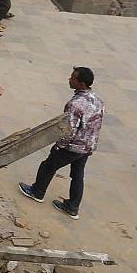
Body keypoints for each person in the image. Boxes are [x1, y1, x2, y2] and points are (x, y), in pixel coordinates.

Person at [19, 67, 104, 220]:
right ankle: (72, 207)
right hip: (88, 145)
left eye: (72, 78)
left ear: (81, 83)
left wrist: (59, 146)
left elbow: (68, 129)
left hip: (73, 146)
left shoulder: (75, 104)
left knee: (48, 165)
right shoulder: (97, 99)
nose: (69, 79)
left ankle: (37, 192)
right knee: (78, 175)